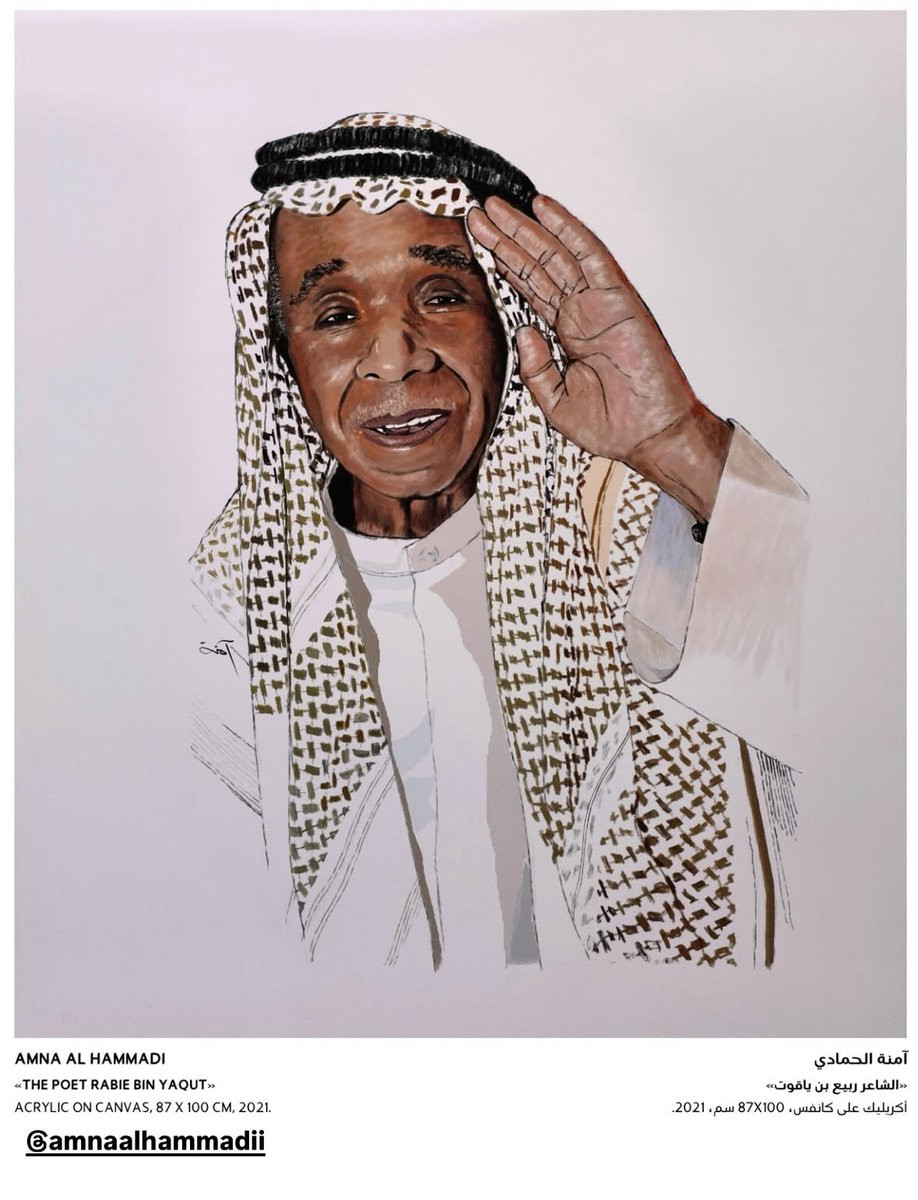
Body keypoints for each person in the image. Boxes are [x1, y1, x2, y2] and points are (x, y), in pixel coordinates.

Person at [191, 112, 807, 971]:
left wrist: (676, 441)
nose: (395, 358)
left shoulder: (628, 526)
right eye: (335, 313)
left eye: (442, 297)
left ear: (502, 323)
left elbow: (857, 678)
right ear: (285, 357)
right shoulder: (228, 611)